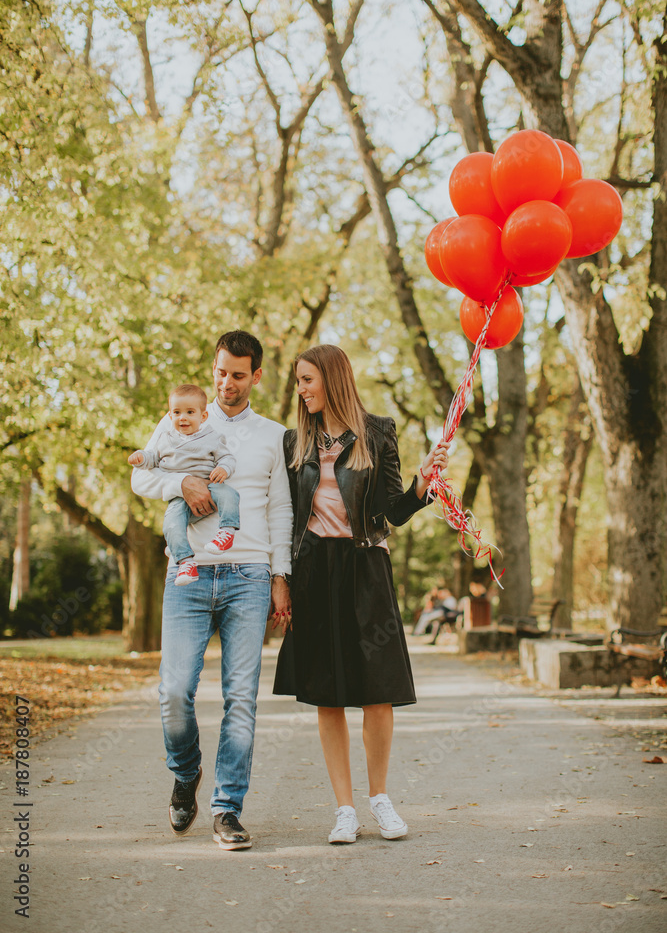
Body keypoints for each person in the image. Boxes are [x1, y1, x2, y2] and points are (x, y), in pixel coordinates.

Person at [273, 344, 448, 844]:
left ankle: (380, 799)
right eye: (298, 381)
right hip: (314, 572)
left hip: (367, 566)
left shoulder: (377, 432)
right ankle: (344, 810)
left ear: (331, 378)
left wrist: (423, 484)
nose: (301, 389)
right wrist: (280, 578)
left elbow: (392, 510)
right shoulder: (294, 442)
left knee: (378, 691)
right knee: (327, 694)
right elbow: (285, 516)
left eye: (308, 379)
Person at [131, 331, 292, 850]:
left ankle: (227, 809)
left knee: (240, 699)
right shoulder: (183, 418)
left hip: (248, 574)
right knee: (174, 693)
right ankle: (186, 773)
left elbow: (280, 510)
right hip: (190, 573)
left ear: (256, 377)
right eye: (221, 372)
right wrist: (182, 484)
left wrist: (279, 576)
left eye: (238, 375)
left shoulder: (274, 435)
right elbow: (141, 479)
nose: (226, 383)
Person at [128, 383, 241, 586]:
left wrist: (223, 468)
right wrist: (141, 457)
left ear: (203, 416)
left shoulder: (212, 438)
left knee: (230, 495)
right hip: (181, 497)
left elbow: (228, 458)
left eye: (190, 412)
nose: (183, 418)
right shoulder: (166, 439)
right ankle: (186, 562)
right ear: (170, 416)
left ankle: (227, 531)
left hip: (210, 486)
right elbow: (153, 459)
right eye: (177, 412)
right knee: (171, 522)